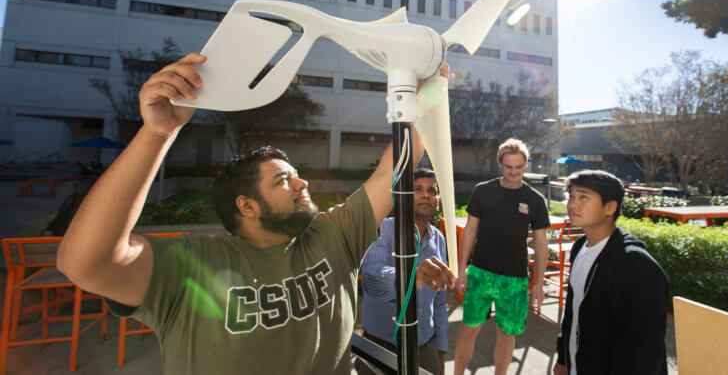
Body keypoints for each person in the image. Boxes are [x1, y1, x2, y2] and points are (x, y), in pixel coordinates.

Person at [56, 53, 452, 374]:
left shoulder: (333, 235)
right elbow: (86, 263)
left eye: (298, 177)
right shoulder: (193, 264)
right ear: (246, 205)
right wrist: (157, 134)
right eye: (283, 180)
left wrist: (427, 93)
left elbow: (391, 170)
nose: (302, 185)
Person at [554, 170, 669, 375]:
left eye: (584, 197)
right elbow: (573, 312)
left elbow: (643, 351)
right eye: (571, 196)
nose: (573, 204)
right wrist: (563, 359)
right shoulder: (580, 247)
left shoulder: (635, 265)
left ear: (610, 207)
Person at [454, 139, 550, 374]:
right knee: (468, 329)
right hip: (480, 274)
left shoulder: (536, 200)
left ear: (526, 164)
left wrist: (538, 283)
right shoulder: (483, 191)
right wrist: (461, 269)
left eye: (519, 167)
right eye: (509, 167)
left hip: (515, 280)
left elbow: (540, 243)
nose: (514, 172)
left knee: (507, 334)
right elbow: (470, 231)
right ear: (500, 164)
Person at [358, 168, 455, 375]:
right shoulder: (383, 230)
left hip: (425, 348)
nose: (426, 194)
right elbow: (370, 278)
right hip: (380, 348)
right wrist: (411, 278)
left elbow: (439, 302)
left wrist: (441, 346)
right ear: (402, 197)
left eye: (432, 190)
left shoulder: (438, 239)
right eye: (417, 189)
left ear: (438, 199)